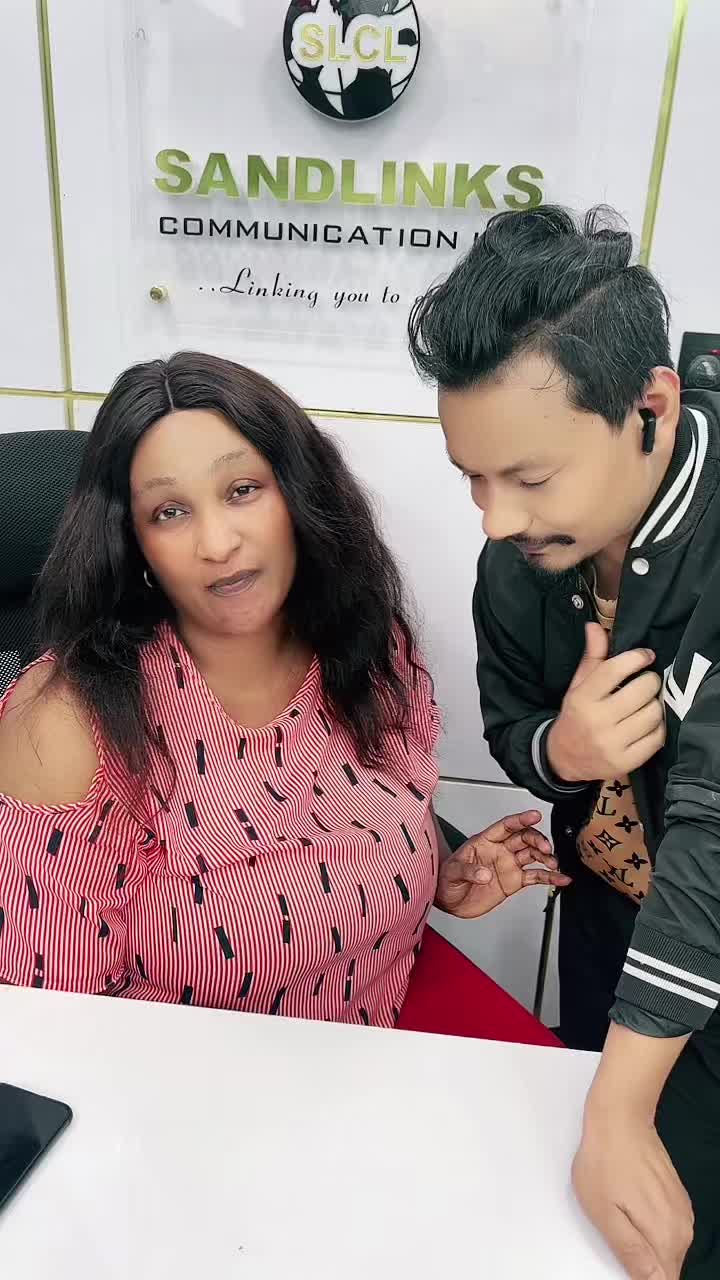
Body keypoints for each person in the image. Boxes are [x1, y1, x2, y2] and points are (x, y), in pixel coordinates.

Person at [0, 351, 567, 1027]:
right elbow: (51, 1032)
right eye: (170, 512)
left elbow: (383, 807)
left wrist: (427, 875)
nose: (217, 543)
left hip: (380, 1042)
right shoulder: (67, 722)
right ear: (134, 543)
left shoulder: (368, 643)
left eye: (243, 490)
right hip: (180, 1079)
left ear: (300, 497)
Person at [408, 206, 720, 1279]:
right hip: (607, 929)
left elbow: (713, 832)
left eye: (530, 479)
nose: (496, 520)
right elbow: (511, 730)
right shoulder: (519, 559)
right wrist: (565, 753)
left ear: (649, 408)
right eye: (471, 476)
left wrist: (621, 1110)